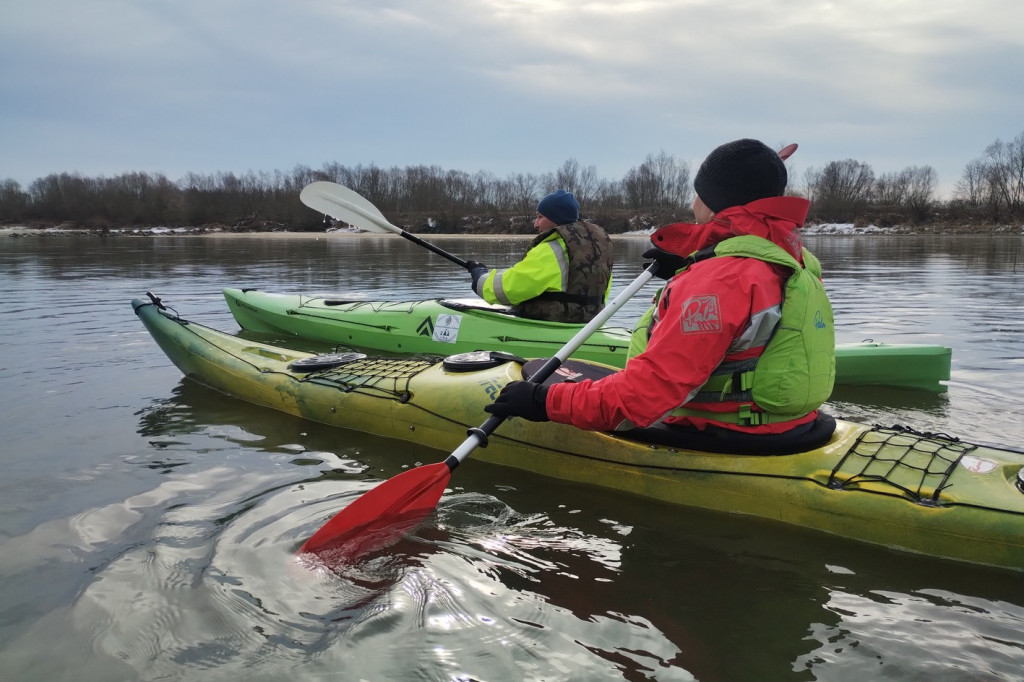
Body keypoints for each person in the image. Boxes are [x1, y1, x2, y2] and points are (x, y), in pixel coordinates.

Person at [484, 139, 837, 448]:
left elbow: (645, 398)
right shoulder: (794, 258)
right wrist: (696, 260)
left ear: (710, 201)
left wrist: (544, 402)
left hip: (722, 432)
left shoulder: (720, 279)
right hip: (788, 424)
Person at [466, 190, 613, 324]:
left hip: (554, 326)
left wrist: (480, 277)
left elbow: (508, 289)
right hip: (588, 326)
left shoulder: (551, 249)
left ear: (556, 218)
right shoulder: (597, 249)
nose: (536, 224)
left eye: (540, 217)